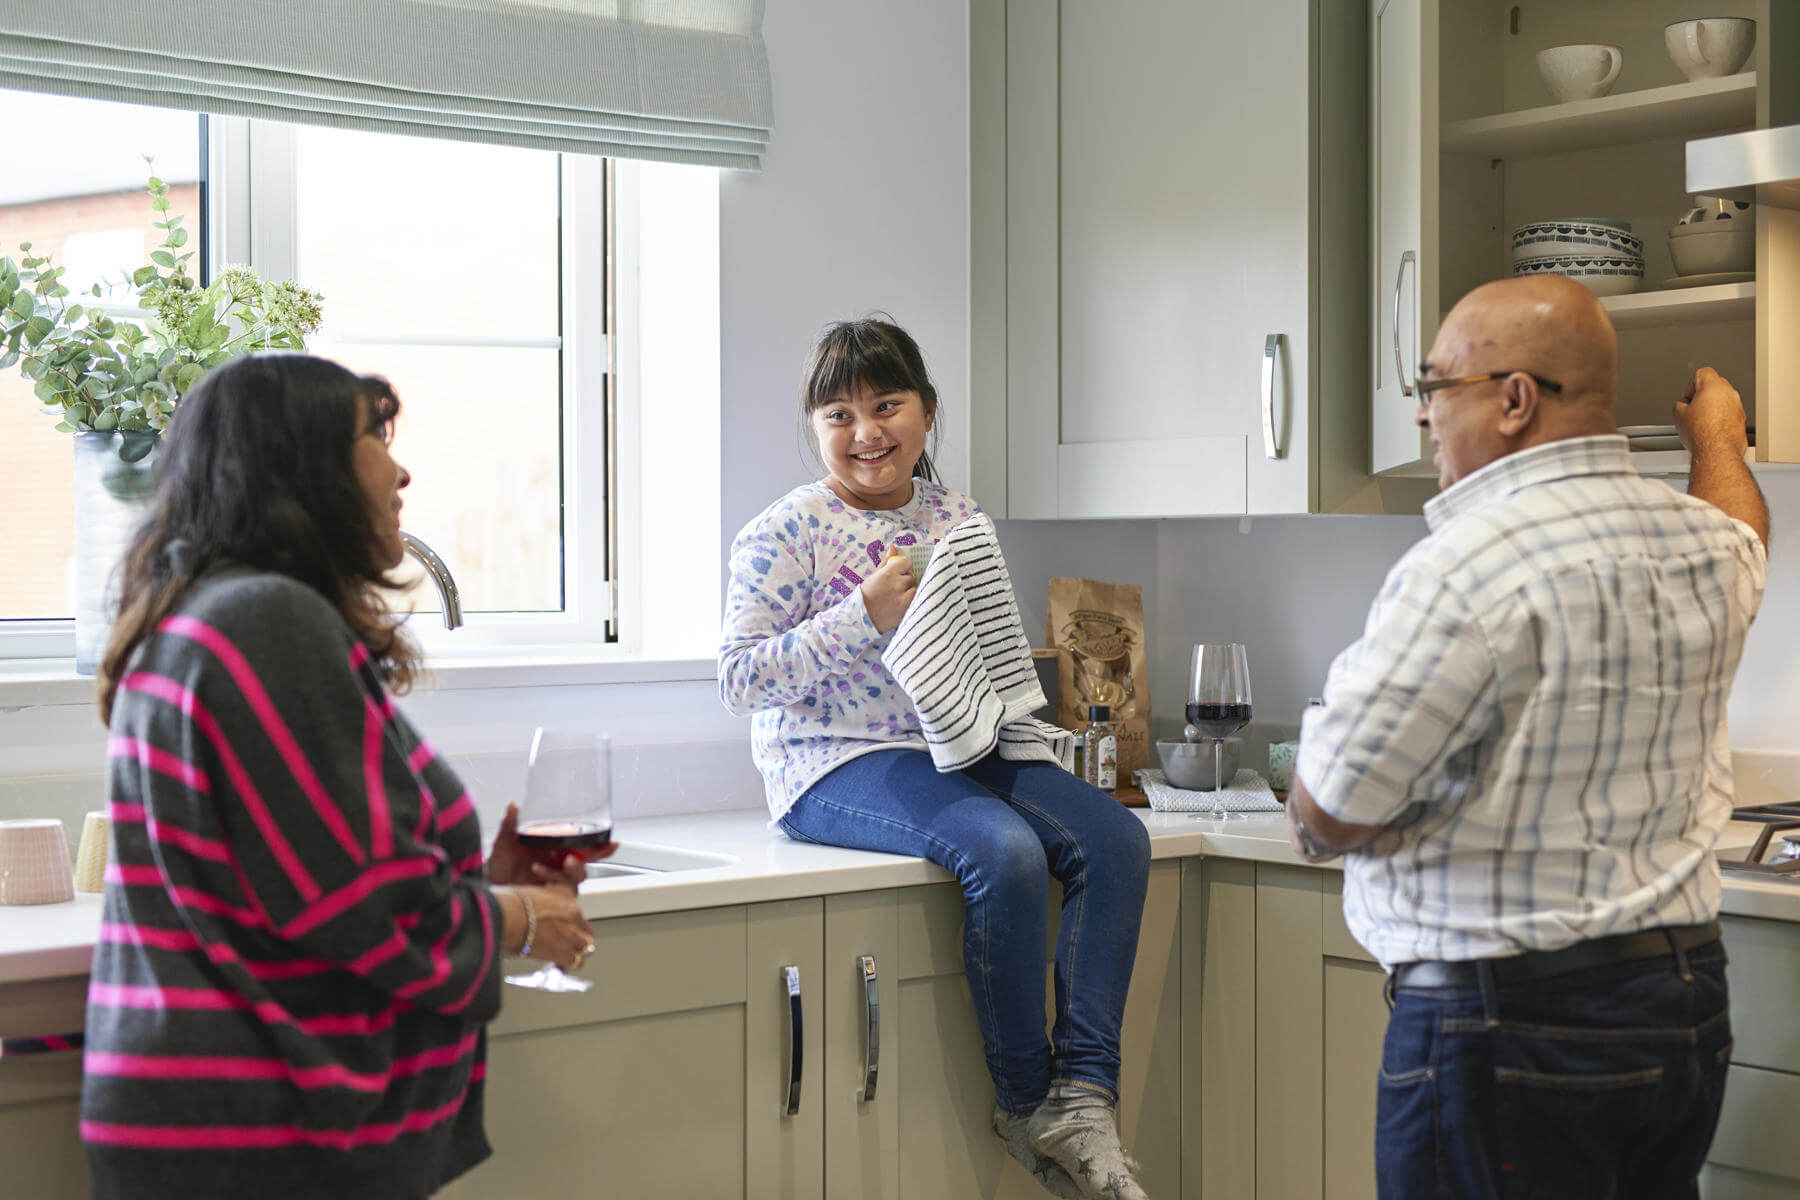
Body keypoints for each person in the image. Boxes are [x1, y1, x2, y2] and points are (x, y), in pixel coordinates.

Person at [1284, 275, 1769, 1199]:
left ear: (1514, 400)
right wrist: (1719, 440)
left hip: (1503, 1026)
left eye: (1435, 388)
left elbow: (1326, 815)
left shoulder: (1464, 568)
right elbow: (1745, 528)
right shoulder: (1704, 547)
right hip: (1682, 1006)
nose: (1425, 418)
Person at [81, 353, 598, 1199]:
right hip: (265, 1139)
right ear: (302, 461)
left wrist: (474, 884)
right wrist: (516, 916)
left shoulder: (204, 617)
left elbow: (303, 868)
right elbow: (363, 905)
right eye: (375, 436)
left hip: (210, 1125)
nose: (401, 470)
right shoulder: (268, 622)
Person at [718, 318, 1153, 1200]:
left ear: (925, 412)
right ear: (814, 426)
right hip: (830, 762)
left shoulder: (958, 519)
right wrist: (862, 615)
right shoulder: (784, 532)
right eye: (838, 413)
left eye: (886, 405)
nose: (866, 431)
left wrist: (1035, 746)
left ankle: (1084, 1097)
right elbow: (738, 679)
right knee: (1002, 850)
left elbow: (989, 655)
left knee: (1116, 841)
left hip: (959, 746)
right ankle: (1027, 1100)